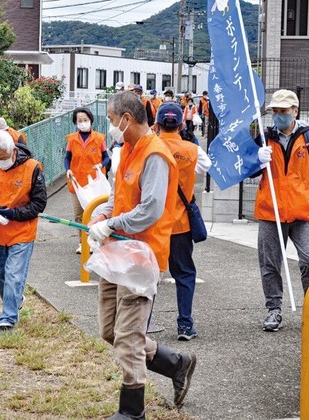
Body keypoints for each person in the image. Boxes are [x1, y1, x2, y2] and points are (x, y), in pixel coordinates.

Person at [88, 91, 196, 418]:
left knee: (129, 338)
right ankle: (176, 363)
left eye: (110, 120)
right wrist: (100, 217)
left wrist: (111, 225)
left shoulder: (155, 155)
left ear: (127, 119)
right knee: (111, 331)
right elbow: (118, 197)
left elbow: (150, 210)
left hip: (141, 255)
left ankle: (133, 411)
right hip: (117, 250)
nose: (109, 126)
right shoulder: (128, 150)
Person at [0, 130, 47, 331]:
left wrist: (12, 214)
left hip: (22, 231)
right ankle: (15, 299)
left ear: (13, 151)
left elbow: (39, 204)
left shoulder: (32, 168)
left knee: (14, 274)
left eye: (3, 158)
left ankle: (7, 318)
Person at [254, 89, 309, 332]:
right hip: (270, 210)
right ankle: (274, 310)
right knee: (270, 264)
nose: (278, 116)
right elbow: (249, 170)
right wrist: (256, 159)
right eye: (275, 111)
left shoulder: (308, 138)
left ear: (295, 111)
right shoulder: (264, 137)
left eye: (283, 111)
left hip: (303, 211)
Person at [156, 102, 212, 340]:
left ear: (157, 124)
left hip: (153, 223)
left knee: (146, 275)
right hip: (180, 224)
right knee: (185, 274)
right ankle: (185, 325)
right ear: (180, 125)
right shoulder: (192, 150)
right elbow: (205, 166)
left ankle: (142, 324)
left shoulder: (149, 146)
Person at [64, 107, 109, 254]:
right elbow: (67, 158)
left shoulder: (99, 138)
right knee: (79, 214)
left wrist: (101, 165)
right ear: (75, 122)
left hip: (94, 183)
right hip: (76, 182)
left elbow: (106, 157)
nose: (83, 123)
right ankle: (83, 242)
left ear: (90, 120)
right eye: (80, 120)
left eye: (85, 120)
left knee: (96, 213)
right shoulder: (72, 139)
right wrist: (68, 169)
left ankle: (97, 240)